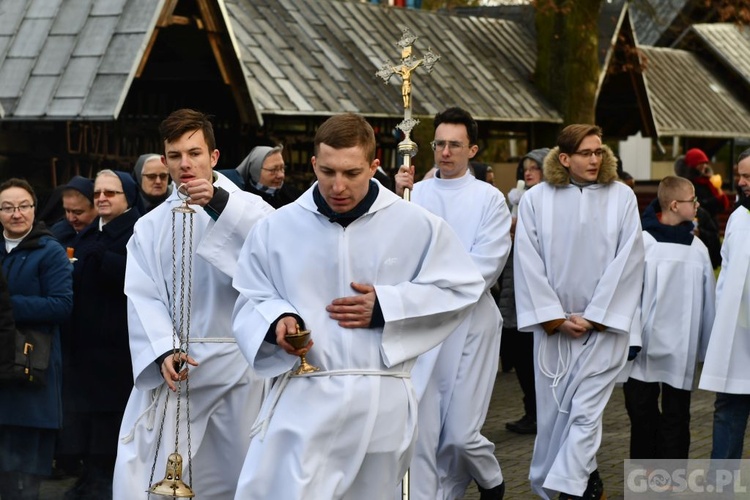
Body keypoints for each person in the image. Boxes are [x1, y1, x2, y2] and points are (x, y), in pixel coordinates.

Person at [230, 112, 485, 500]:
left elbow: (461, 287)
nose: (337, 186)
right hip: (304, 397)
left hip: (380, 398)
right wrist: (276, 318)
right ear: (314, 163)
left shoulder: (416, 225)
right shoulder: (277, 228)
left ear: (374, 165)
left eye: (351, 173)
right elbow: (251, 294)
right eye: (327, 171)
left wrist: (387, 306)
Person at [112, 109, 274, 500]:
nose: (185, 164)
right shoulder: (149, 227)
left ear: (214, 157)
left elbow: (273, 258)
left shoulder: (251, 210)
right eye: (175, 155)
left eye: (195, 153)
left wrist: (218, 204)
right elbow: (142, 293)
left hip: (239, 367)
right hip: (180, 369)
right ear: (164, 161)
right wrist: (164, 348)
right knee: (152, 473)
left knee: (241, 473)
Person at [514, 124, 644, 500]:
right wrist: (554, 317)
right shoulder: (537, 198)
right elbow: (527, 259)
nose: (594, 159)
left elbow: (629, 259)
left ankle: (566, 487)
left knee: (586, 412)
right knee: (556, 417)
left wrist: (597, 315)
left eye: (599, 151)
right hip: (554, 330)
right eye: (586, 152)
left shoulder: (621, 197)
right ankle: (577, 483)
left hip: (604, 328)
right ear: (565, 158)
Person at [394, 107, 510, 500]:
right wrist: (396, 200)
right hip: (426, 325)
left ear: (472, 149)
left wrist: (432, 286)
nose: (445, 152)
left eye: (454, 145)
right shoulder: (415, 194)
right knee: (423, 431)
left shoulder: (490, 200)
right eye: (439, 143)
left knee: (460, 434)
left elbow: (486, 264)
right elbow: (397, 254)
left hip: (471, 322)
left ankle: (491, 479)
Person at [60, 170, 142, 499]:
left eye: (111, 192)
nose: (102, 198)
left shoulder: (138, 229)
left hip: (118, 346)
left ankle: (106, 483)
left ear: (127, 198)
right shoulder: (90, 230)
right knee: (89, 417)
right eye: (98, 193)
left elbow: (140, 278)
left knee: (112, 418)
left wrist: (105, 260)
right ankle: (90, 476)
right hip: (87, 344)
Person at [623, 176, 715, 460]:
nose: (697, 205)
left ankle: (670, 483)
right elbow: (627, 294)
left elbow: (708, 302)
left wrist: (708, 349)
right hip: (644, 348)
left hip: (680, 347)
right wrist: (629, 338)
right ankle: (645, 480)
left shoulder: (697, 250)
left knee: (677, 417)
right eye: (692, 200)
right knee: (642, 415)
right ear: (675, 205)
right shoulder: (642, 242)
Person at [0, 178, 73, 500]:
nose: (16, 214)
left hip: (31, 369)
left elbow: (62, 305)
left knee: (26, 476)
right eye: (7, 207)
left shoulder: (50, 250)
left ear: (34, 208)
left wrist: (7, 306)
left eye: (23, 206)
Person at [698, 148, 750, 460]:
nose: (741, 183)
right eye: (740, 176)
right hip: (737, 335)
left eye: (748, 177)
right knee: (728, 414)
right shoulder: (738, 217)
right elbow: (726, 273)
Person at [500, 147, 549, 436]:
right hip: (513, 286)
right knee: (519, 353)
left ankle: (539, 411)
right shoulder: (516, 201)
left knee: (534, 354)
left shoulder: (549, 202)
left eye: (535, 168)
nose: (528, 173)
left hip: (533, 289)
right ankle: (530, 409)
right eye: (525, 168)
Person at [673, 154, 722, 269]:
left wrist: (701, 233)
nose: (704, 166)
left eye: (705, 163)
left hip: (699, 260)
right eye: (701, 163)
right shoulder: (669, 213)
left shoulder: (709, 182)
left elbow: (713, 239)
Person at [227, 145, 301, 209]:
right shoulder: (240, 200)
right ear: (256, 171)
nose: (281, 175)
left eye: (282, 168)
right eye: (273, 170)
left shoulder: (295, 198)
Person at [50, 176, 97, 248]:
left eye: (78, 212)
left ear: (96, 208)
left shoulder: (106, 237)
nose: (71, 218)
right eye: (67, 211)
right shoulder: (56, 235)